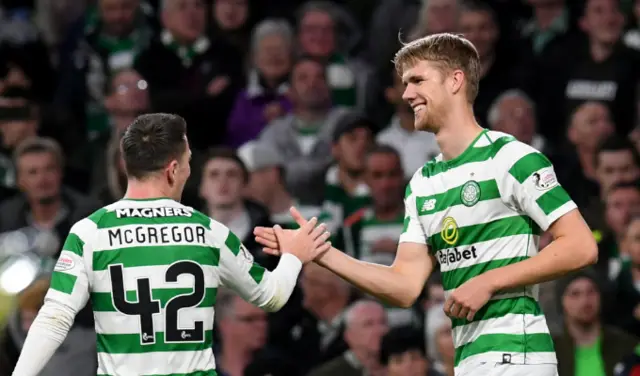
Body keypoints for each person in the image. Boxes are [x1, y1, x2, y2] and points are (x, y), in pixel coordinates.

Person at [255, 33, 598, 376]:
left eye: (417, 80)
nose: (406, 94)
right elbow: (404, 286)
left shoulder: (511, 158)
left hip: (518, 355)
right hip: (468, 360)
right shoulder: (422, 183)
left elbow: (580, 246)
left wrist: (490, 281)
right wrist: (321, 253)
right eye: (405, 84)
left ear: (455, 80)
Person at [10, 113, 332, 376]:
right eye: (189, 161)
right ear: (174, 169)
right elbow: (271, 296)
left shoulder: (89, 231)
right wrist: (293, 255)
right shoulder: (207, 231)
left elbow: (54, 319)